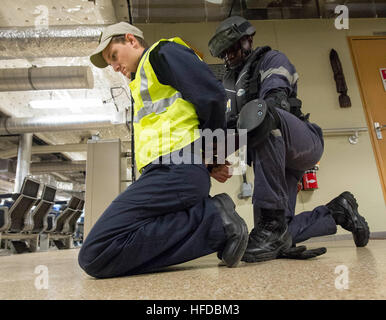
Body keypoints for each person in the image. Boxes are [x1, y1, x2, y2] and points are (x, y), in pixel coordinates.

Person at [78, 22, 250, 278]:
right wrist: (208, 163)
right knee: (102, 251)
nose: (114, 66)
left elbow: (212, 96)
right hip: (172, 172)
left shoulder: (162, 53)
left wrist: (215, 156)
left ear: (131, 40)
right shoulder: (140, 83)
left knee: (96, 252)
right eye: (110, 62)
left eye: (114, 56)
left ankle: (216, 222)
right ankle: (215, 220)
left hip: (174, 170)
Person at [208, 16, 370, 263]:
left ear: (248, 40)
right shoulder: (229, 83)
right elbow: (231, 128)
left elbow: (276, 100)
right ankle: (338, 210)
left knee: (264, 114)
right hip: (272, 159)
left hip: (300, 142)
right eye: (224, 53)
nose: (228, 56)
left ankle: (271, 226)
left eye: (232, 48)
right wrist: (215, 161)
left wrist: (246, 125)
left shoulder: (272, 60)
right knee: (280, 236)